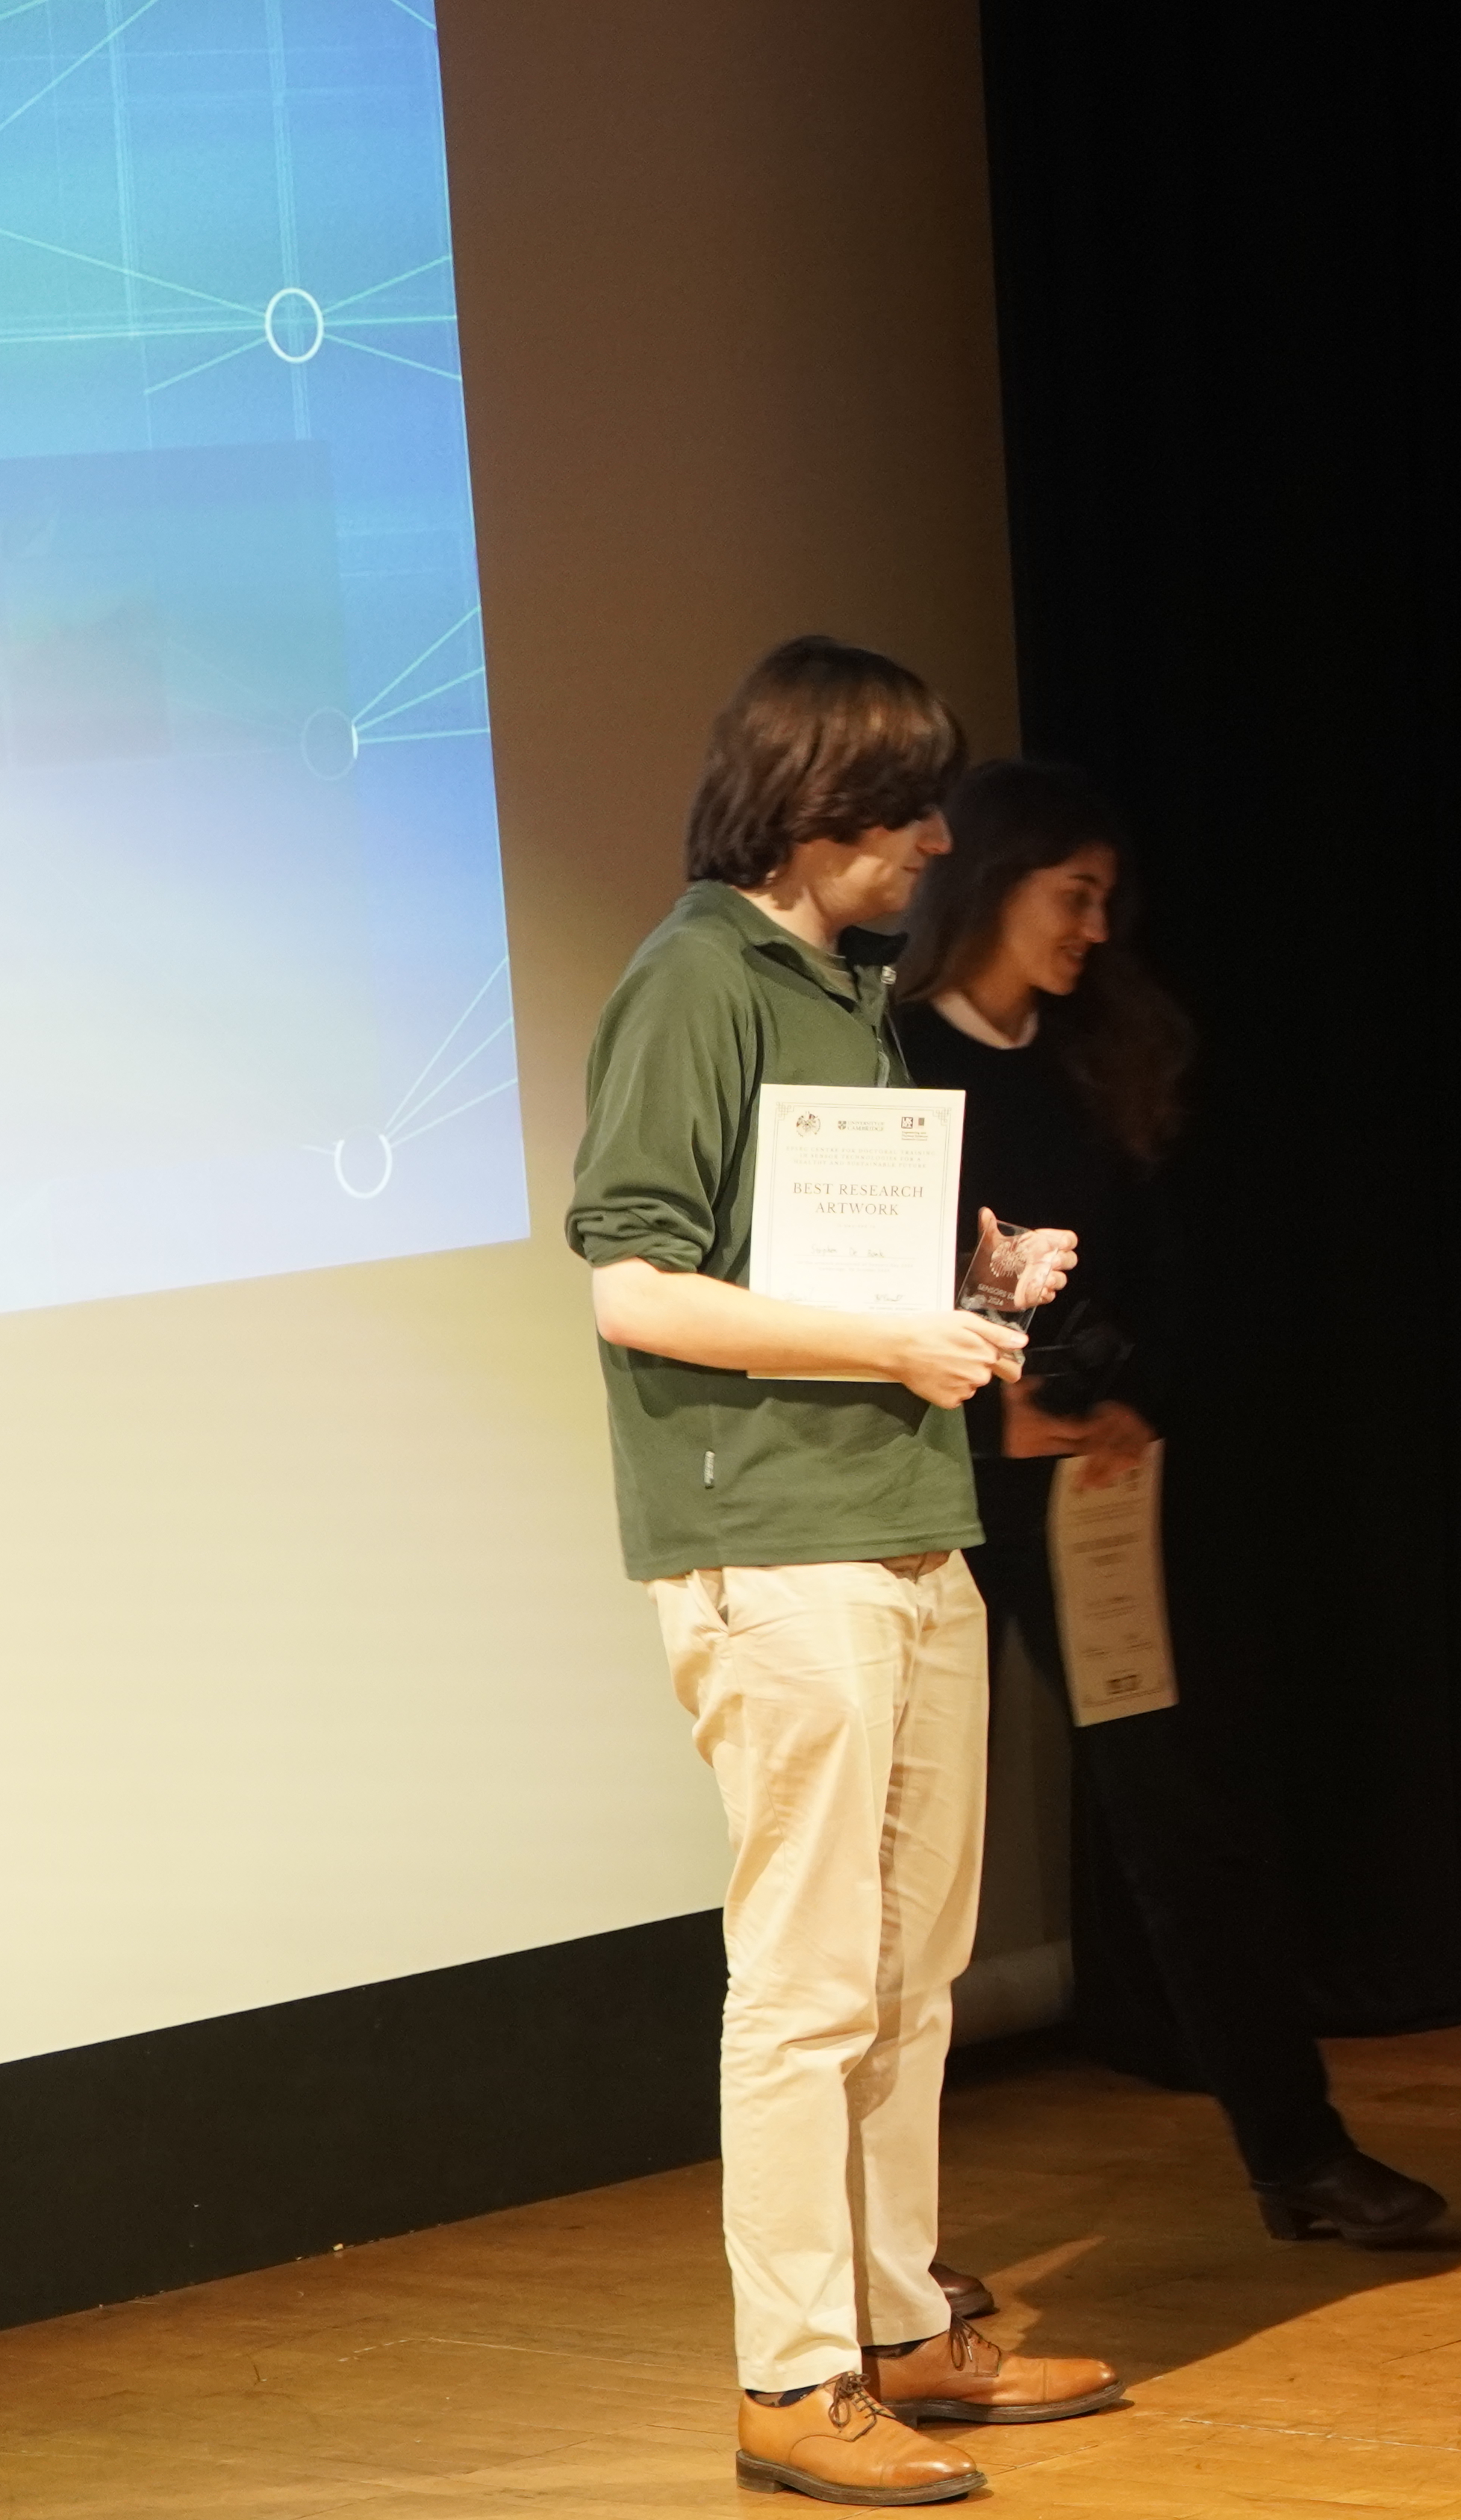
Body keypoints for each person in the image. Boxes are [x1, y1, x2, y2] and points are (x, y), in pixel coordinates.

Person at [567, 637, 1123, 2508]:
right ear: (817, 815)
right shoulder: (694, 981)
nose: (937, 848)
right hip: (772, 1540)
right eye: (907, 820)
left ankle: (896, 2319)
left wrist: (958, 1290)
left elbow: (800, 1256)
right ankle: (790, 2371)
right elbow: (634, 1280)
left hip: (906, 1515)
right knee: (805, 1982)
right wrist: (890, 1345)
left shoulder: (847, 984)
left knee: (917, 1966)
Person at [893, 759, 1448, 2261]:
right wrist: (989, 1402)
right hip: (925, 1493)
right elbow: (860, 1299)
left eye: (1105, 899)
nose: (1094, 927)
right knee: (901, 1847)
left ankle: (1299, 2150)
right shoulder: (886, 1061)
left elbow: (1161, 1275)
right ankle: (888, 2256)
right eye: (1071, 895)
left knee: (1187, 1799)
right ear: (989, 884)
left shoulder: (1088, 1055)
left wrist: (1124, 1397)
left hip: (1091, 1496)